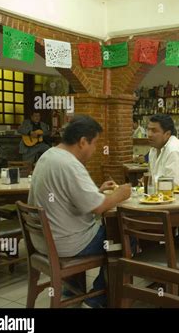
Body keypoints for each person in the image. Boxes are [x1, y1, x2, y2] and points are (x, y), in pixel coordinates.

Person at [28, 115, 131, 308]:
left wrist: (96, 192)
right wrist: (120, 194)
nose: (95, 149)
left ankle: (70, 289)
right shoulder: (70, 164)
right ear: (83, 142)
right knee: (124, 236)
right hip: (67, 243)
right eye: (95, 144)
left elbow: (66, 197)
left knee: (110, 232)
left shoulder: (49, 155)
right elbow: (99, 207)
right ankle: (96, 300)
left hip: (43, 240)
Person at [147, 114, 179, 187]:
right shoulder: (153, 150)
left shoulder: (174, 150)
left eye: (154, 131)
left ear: (167, 134)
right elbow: (153, 179)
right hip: (160, 196)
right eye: (148, 130)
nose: (149, 134)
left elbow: (174, 185)